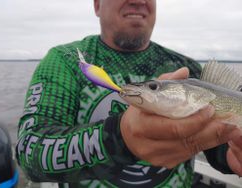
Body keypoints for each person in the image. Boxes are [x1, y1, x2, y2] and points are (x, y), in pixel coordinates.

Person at [16, 0, 242, 187]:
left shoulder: (188, 68)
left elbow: (219, 143)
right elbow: (29, 153)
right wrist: (119, 137)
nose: (138, 1)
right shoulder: (66, 62)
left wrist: (232, 157)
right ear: (97, 5)